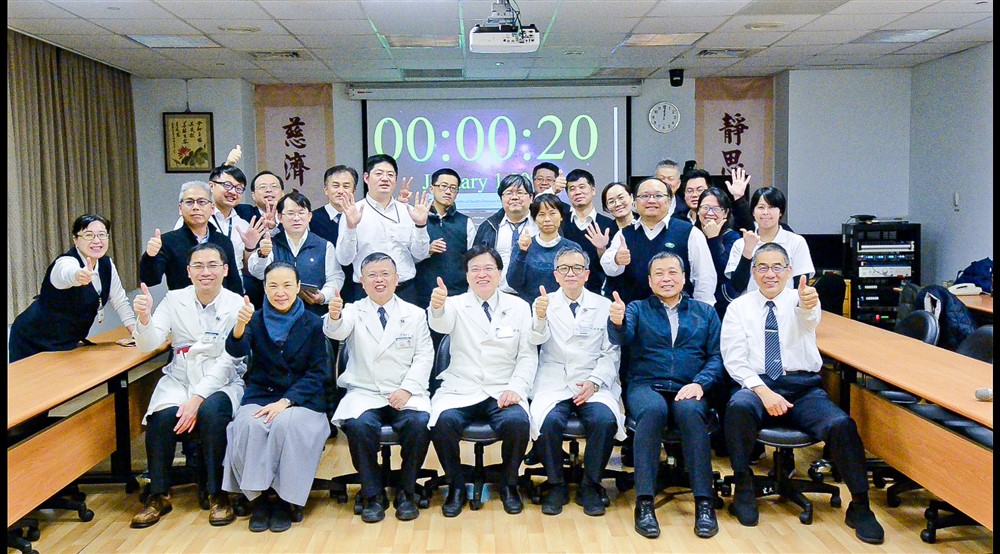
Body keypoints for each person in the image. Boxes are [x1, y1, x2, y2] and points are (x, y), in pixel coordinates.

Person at [721, 243, 884, 545]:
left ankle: (861, 505)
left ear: (789, 271)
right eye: (763, 267)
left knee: (841, 425)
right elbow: (734, 360)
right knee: (737, 407)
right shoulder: (738, 308)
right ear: (753, 272)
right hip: (758, 385)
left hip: (803, 387)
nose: (770, 274)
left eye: (777, 267)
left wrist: (807, 303)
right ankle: (743, 487)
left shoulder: (803, 300)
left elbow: (808, 317)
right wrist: (764, 392)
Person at [608, 252, 724, 539]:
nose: (666, 278)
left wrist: (700, 383)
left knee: (690, 411)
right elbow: (622, 339)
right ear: (650, 281)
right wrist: (618, 322)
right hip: (646, 384)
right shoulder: (637, 309)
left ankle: (704, 502)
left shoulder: (705, 312)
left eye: (673, 272)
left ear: (684, 278)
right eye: (659, 273)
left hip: (690, 385)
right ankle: (645, 502)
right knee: (653, 411)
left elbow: (717, 356)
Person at [130, 243, 246, 529]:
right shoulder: (173, 299)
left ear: (225, 270)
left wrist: (197, 398)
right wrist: (144, 319)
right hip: (180, 377)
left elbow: (230, 360)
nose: (206, 272)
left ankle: (218, 493)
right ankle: (158, 494)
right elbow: (149, 343)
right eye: (198, 266)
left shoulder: (235, 304)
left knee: (212, 413)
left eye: (212, 265)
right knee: (161, 417)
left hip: (221, 380)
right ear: (188, 271)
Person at [427, 245, 538, 517]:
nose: (482, 274)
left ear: (500, 273)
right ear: (466, 275)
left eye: (489, 268)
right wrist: (437, 307)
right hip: (461, 387)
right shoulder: (454, 305)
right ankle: (455, 486)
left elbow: (527, 355)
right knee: (443, 423)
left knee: (517, 422)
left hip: (503, 388)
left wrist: (516, 388)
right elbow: (440, 324)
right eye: (475, 269)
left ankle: (509, 483)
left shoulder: (519, 307)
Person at [223, 261, 330, 533]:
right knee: (248, 425)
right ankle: (259, 499)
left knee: (286, 425)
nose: (280, 292)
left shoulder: (313, 322)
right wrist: (240, 325)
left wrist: (286, 401)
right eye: (273, 286)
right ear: (264, 288)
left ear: (298, 287)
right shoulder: (255, 319)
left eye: (286, 285)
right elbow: (236, 349)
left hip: (302, 398)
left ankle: (285, 500)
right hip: (262, 394)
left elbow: (319, 373)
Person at [326, 253, 434, 523]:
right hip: (365, 391)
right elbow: (337, 331)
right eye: (372, 275)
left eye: (385, 274)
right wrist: (335, 316)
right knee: (359, 426)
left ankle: (407, 491)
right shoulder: (352, 311)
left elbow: (424, 356)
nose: (379, 280)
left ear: (397, 279)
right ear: (362, 281)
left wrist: (407, 389)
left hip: (405, 391)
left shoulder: (415, 314)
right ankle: (372, 495)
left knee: (419, 424)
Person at [528, 246, 624, 517]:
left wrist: (594, 382)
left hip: (592, 378)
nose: (571, 273)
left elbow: (611, 352)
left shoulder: (603, 305)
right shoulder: (544, 303)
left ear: (587, 274)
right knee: (548, 422)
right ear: (556, 275)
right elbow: (534, 340)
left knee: (604, 420)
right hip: (555, 378)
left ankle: (590, 486)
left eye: (577, 268)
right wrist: (540, 317)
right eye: (564, 269)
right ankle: (556, 484)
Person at [9, 214, 137, 363]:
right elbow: (65, 272)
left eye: (102, 234)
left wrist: (137, 334)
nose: (97, 240)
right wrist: (77, 275)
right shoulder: (65, 261)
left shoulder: (106, 264)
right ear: (75, 239)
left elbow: (120, 302)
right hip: (31, 339)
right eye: (88, 235)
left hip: (66, 341)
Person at [600, 178, 716, 306]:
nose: (651, 200)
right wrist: (617, 259)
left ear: (669, 201)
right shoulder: (624, 234)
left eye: (658, 196)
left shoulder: (690, 232)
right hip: (635, 312)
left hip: (680, 312)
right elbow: (608, 268)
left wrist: (703, 310)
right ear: (635, 202)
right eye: (644, 196)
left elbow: (704, 278)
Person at [336, 154, 431, 305]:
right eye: (379, 173)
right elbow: (344, 259)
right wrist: (351, 227)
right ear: (366, 178)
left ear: (395, 180)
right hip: (366, 292)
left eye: (390, 175)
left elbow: (420, 254)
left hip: (405, 290)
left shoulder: (408, 211)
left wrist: (420, 225)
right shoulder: (353, 212)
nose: (385, 178)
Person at [247, 191, 344, 316]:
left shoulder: (324, 246)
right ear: (280, 217)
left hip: (313, 315)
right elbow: (258, 273)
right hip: (277, 316)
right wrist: (262, 255)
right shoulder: (271, 243)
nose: (296, 218)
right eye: (291, 213)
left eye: (301, 213)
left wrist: (323, 296)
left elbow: (335, 278)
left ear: (309, 216)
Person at [139, 181, 244, 295]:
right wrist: (150, 256)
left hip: (220, 305)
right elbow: (150, 280)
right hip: (182, 304)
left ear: (212, 209)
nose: (195, 207)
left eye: (202, 202)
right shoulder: (168, 241)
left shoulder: (223, 241)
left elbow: (234, 284)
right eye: (189, 202)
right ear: (180, 209)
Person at [724, 187, 814, 297]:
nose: (766, 212)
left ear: (781, 212)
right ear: (753, 212)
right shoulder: (740, 244)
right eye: (761, 207)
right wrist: (747, 251)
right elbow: (737, 287)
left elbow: (801, 285)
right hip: (751, 305)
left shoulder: (796, 242)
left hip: (787, 305)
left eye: (771, 207)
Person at [413, 168, 475, 310]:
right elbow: (407, 258)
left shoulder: (466, 222)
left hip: (458, 296)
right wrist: (427, 250)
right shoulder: (417, 219)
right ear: (431, 189)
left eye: (453, 188)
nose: (448, 192)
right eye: (443, 186)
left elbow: (472, 262)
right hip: (422, 295)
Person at [506, 193, 580, 304]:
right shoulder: (523, 246)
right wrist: (522, 253)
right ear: (535, 219)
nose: (547, 219)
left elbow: (580, 283)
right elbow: (513, 283)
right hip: (530, 307)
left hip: (563, 307)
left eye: (552, 213)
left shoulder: (572, 248)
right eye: (541, 214)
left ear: (561, 217)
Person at [472, 173, 537, 294]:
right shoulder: (488, 226)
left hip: (534, 295)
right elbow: (475, 262)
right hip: (498, 295)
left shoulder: (542, 225)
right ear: (501, 199)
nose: (514, 197)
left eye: (520, 192)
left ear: (531, 197)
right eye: (508, 193)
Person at [560, 169, 618, 295]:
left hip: (598, 293)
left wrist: (602, 249)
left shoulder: (608, 225)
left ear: (593, 191)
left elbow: (613, 267)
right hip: (564, 292)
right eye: (572, 189)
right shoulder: (560, 223)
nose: (577, 192)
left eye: (582, 187)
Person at [311, 165, 362, 304]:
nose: (341, 191)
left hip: (358, 287)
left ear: (354, 191)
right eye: (335, 186)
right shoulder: (312, 219)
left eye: (346, 186)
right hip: (323, 289)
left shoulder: (363, 216)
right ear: (326, 190)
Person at [236, 170, 282, 309]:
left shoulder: (290, 216)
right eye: (263, 187)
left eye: (274, 186)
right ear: (253, 195)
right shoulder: (242, 212)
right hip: (252, 292)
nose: (269, 190)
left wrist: (274, 229)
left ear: (282, 193)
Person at [696, 187, 743, 319]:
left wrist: (713, 239)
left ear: (726, 213)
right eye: (705, 208)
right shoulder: (691, 233)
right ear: (698, 210)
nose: (710, 213)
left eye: (716, 209)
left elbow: (720, 272)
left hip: (722, 304)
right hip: (694, 301)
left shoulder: (733, 238)